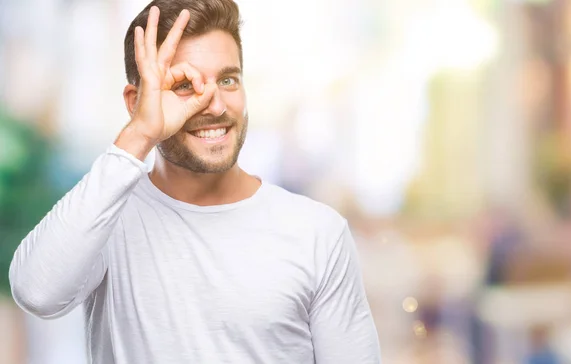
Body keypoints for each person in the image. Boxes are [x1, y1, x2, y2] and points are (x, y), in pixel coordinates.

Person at [8, 0, 381, 363]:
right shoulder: (106, 219)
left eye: (228, 80)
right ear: (136, 101)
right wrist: (140, 132)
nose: (215, 105)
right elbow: (36, 292)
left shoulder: (317, 233)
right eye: (185, 85)